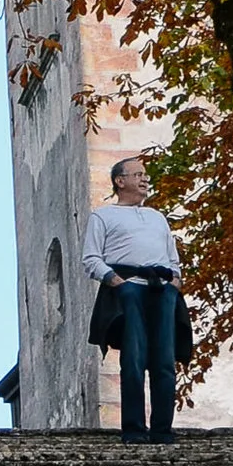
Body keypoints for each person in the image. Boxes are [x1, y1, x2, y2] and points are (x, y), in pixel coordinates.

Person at [82, 153, 184, 441]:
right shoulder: (103, 215)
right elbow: (91, 258)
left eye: (144, 175)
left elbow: (172, 257)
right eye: (137, 174)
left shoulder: (157, 217)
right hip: (128, 289)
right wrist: (118, 283)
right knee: (134, 360)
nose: (144, 179)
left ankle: (163, 429)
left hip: (161, 289)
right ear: (120, 180)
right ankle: (134, 429)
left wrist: (174, 282)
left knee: (164, 361)